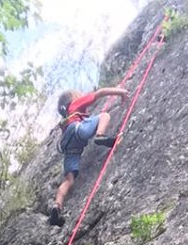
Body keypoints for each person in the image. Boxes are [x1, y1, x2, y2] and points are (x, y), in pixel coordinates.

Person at [49, 84, 128, 227]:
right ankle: (100, 136)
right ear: (73, 98)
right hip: (79, 130)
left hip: (69, 146)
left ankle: (57, 206)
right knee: (104, 115)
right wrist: (121, 92)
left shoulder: (66, 119)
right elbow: (101, 92)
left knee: (68, 180)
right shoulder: (75, 103)